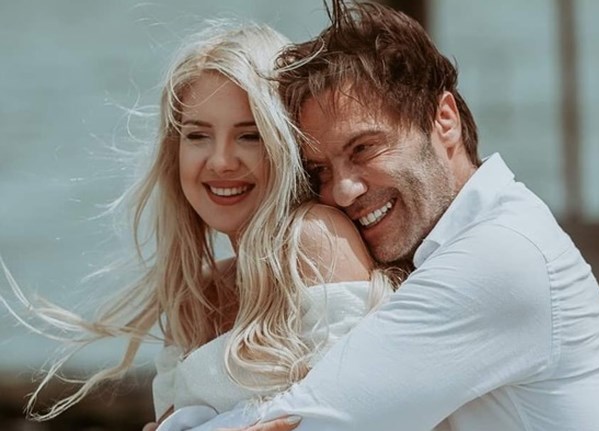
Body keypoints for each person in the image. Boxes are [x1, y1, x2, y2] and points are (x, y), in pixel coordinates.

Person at [202, 1, 599, 430]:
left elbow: (310, 419)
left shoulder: (500, 256)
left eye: (364, 148)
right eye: (321, 171)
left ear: (444, 119)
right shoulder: (470, 237)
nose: (342, 190)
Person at [1, 21, 397, 431]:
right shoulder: (198, 296)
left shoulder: (315, 238)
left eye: (249, 136)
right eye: (197, 136)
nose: (221, 161)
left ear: (286, 142)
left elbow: (364, 414)